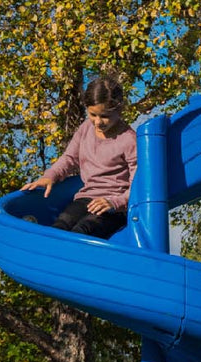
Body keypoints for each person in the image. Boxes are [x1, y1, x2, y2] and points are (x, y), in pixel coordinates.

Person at [21, 74, 137, 239]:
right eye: (93, 115)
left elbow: (137, 183)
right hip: (85, 199)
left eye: (104, 116)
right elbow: (70, 158)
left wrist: (115, 202)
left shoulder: (128, 140)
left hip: (111, 207)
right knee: (59, 228)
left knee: (82, 232)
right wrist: (50, 176)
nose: (98, 122)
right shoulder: (86, 129)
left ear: (119, 109)